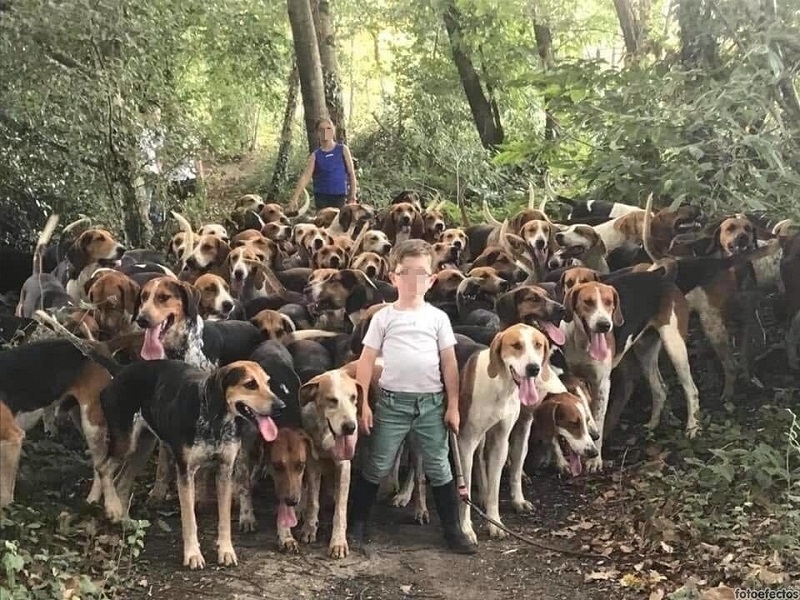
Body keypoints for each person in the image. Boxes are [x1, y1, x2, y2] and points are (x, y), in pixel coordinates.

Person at [350, 239, 477, 555]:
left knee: (440, 466)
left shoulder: (437, 318)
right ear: (393, 277)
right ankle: (357, 523)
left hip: (431, 404)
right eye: (405, 273)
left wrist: (453, 406)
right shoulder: (384, 317)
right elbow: (366, 361)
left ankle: (453, 530)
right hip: (392, 403)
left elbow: (448, 362)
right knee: (377, 463)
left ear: (432, 279)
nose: (413, 280)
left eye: (421, 273)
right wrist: (363, 402)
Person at [288, 117, 358, 211]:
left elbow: (351, 173)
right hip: (322, 197)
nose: (325, 132)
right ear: (318, 133)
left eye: (328, 128)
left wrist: (353, 196)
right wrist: (295, 197)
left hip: (339, 196)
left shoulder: (343, 150)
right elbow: (306, 176)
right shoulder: (315, 155)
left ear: (333, 130)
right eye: (322, 130)